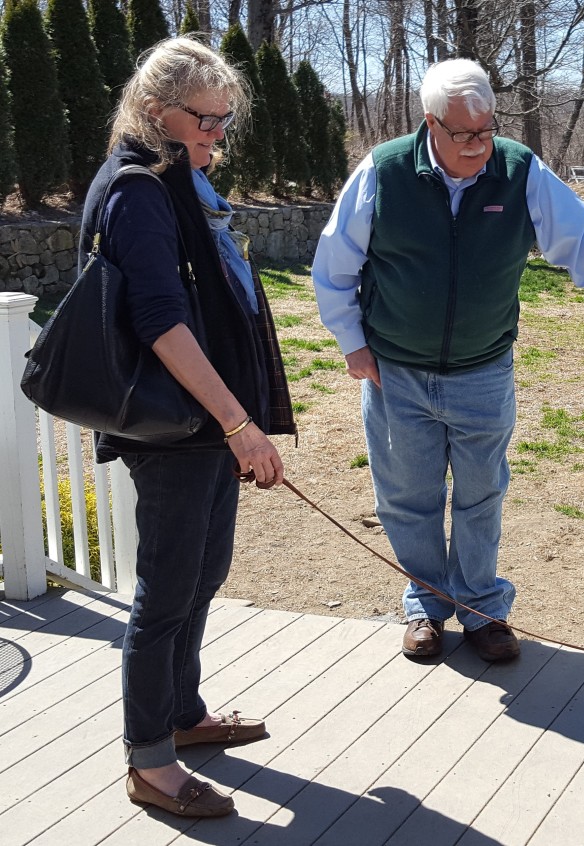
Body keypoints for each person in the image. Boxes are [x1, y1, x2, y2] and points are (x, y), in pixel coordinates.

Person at [313, 58, 584, 663]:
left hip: (484, 371)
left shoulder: (519, 171)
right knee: (408, 497)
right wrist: (352, 343)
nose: (480, 146)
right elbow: (334, 267)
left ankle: (483, 610)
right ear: (430, 124)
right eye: (464, 134)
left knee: (481, 495)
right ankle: (426, 605)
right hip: (396, 372)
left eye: (487, 130)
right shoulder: (383, 173)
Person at [79, 37, 295, 816]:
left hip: (203, 421)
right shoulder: (138, 190)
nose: (219, 135)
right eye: (206, 118)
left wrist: (231, 421)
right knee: (165, 594)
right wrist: (240, 424)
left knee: (203, 574)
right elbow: (164, 324)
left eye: (226, 119)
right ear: (153, 110)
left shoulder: (181, 182)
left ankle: (183, 711)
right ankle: (149, 761)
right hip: (171, 427)